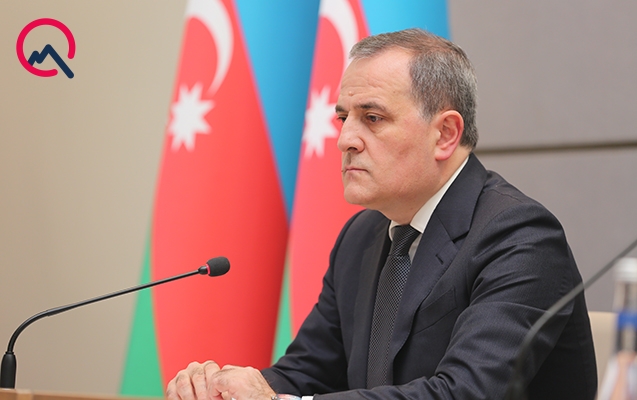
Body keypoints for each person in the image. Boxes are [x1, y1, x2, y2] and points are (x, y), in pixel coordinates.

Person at [165, 28, 597, 400]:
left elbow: (462, 393)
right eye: (343, 118)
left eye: (372, 118)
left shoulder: (520, 237)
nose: (345, 140)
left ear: (445, 134)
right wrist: (224, 388)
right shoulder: (363, 236)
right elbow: (306, 373)